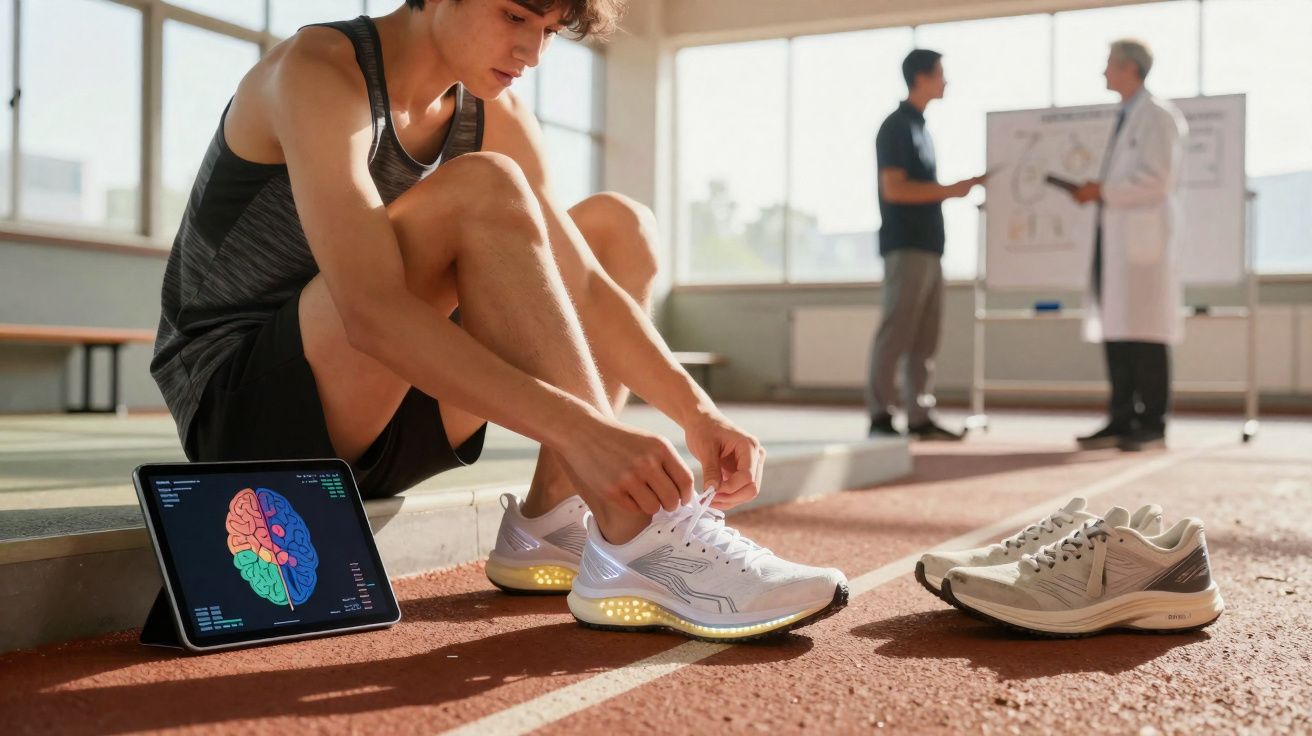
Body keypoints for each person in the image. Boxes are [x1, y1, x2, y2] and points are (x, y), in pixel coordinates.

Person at [150, 0, 846, 640]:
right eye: (515, 16)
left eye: (547, 30)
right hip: (243, 413)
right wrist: (589, 431)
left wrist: (697, 413)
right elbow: (371, 314)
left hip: (389, 416)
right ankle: (637, 532)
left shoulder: (493, 109)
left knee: (617, 228)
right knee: (484, 187)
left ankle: (551, 520)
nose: (532, 51)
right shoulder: (317, 71)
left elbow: (587, 288)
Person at [1069, 39, 1186, 452]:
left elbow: (1158, 179)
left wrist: (1104, 190)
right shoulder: (1126, 116)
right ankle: (1121, 417)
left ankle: (1151, 421)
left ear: (1129, 69)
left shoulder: (1158, 117)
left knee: (1146, 333)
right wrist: (1102, 192)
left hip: (1144, 244)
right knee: (1117, 329)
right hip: (1116, 239)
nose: (1104, 72)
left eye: (1109, 65)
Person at [867, 49, 985, 441]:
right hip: (906, 247)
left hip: (931, 248)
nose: (946, 81)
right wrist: (953, 190)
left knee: (925, 338)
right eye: (941, 74)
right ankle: (880, 415)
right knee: (896, 332)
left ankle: (919, 416)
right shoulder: (896, 127)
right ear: (921, 77)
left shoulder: (922, 128)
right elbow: (895, 188)